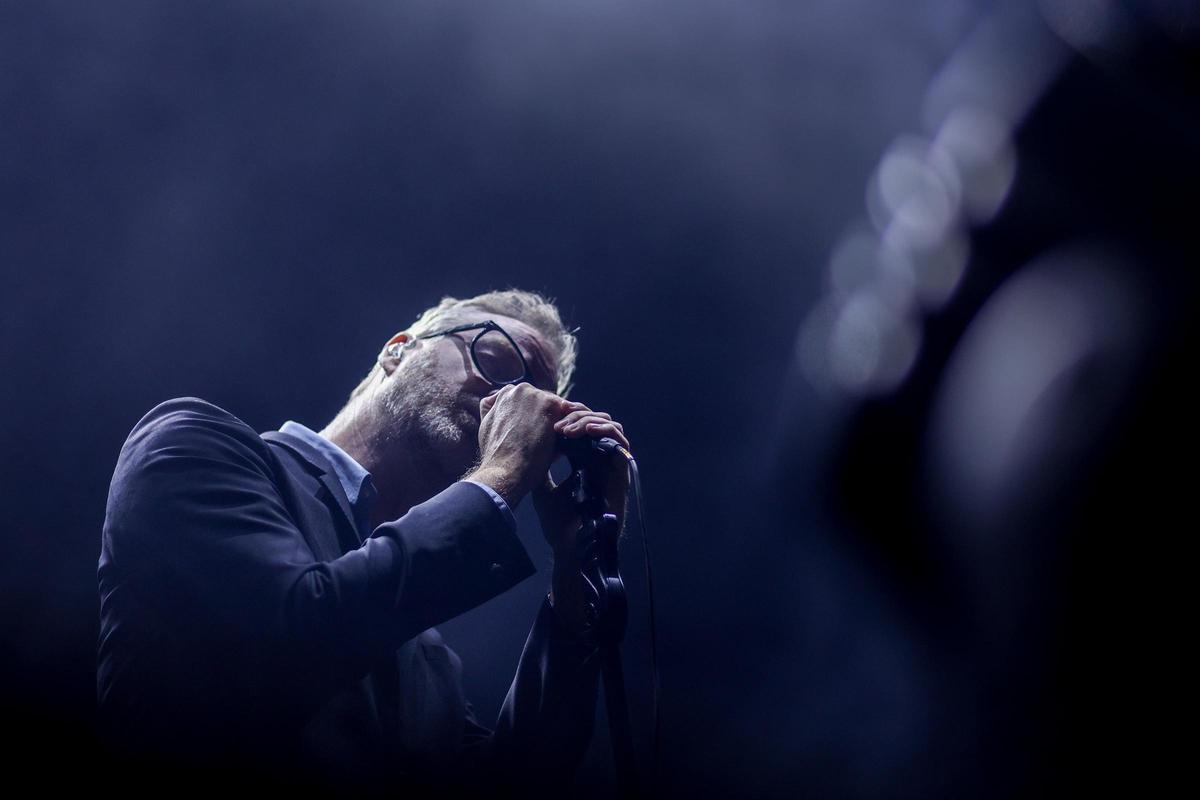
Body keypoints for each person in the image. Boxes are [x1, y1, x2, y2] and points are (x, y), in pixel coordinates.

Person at [96, 290, 632, 793]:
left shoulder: (428, 659)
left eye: (534, 398)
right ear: (398, 352)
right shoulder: (193, 443)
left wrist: (573, 573)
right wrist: (505, 469)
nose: (512, 402)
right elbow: (290, 632)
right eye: (495, 360)